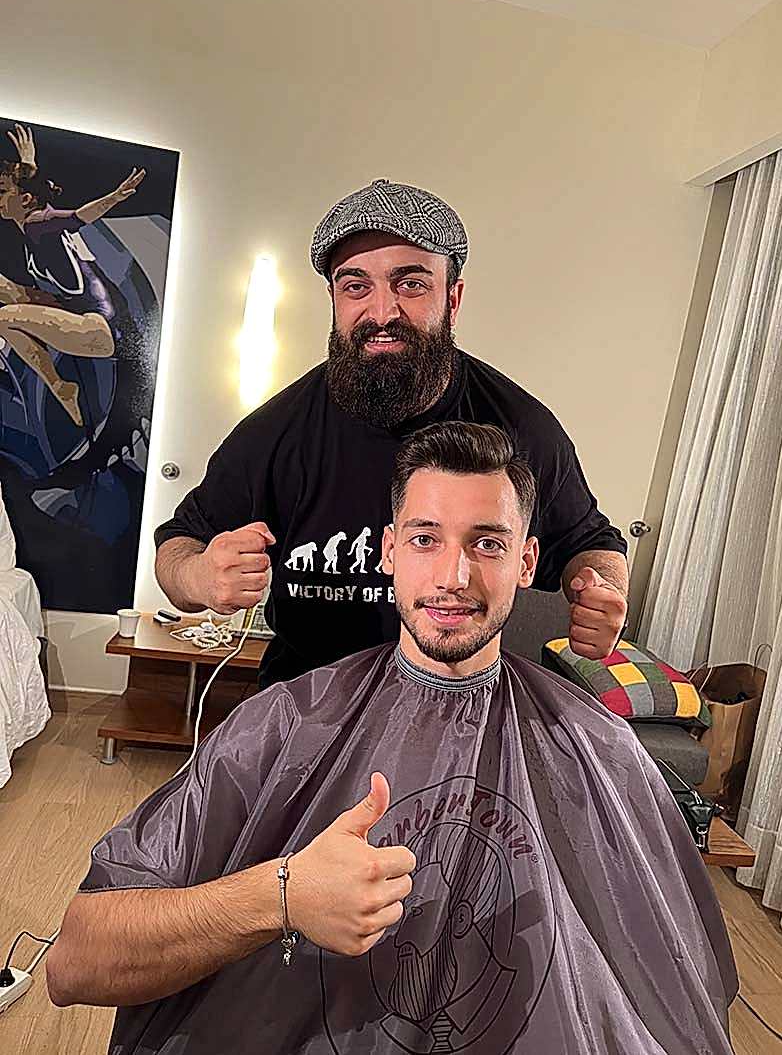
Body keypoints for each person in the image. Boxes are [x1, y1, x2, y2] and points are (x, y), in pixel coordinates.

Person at [48, 422, 737, 1055]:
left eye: (487, 543)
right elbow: (77, 959)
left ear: (528, 561)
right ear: (388, 551)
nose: (453, 577)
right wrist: (281, 895)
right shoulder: (283, 726)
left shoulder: (598, 746)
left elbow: (681, 989)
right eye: (425, 539)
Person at [154, 179, 628, 690]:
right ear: (334, 297)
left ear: (452, 298)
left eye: (410, 284)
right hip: (306, 706)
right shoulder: (273, 435)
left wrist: (601, 592)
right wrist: (199, 577)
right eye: (356, 286)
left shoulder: (522, 430)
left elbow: (592, 543)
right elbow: (178, 550)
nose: (382, 313)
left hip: (457, 703)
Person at [0, 123, 145, 425]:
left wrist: (115, 197)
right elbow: (36, 191)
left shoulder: (38, 224)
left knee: (3, 318)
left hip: (101, 330)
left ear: (24, 199)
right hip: (76, 312)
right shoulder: (34, 222)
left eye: (2, 192)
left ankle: (61, 389)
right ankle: (62, 388)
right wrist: (28, 164)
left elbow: (78, 217)